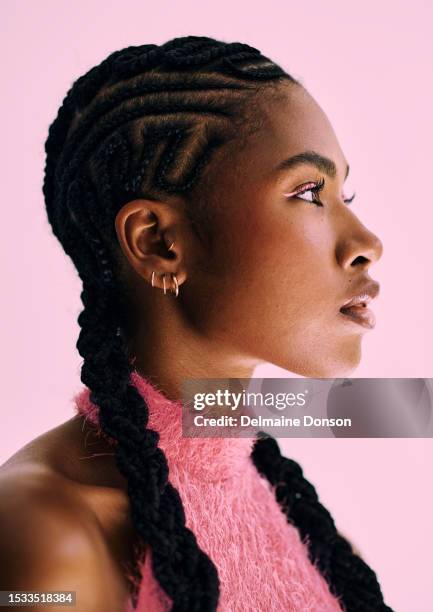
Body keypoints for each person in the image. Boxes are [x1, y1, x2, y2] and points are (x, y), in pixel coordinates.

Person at [0, 36, 391, 611]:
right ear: (158, 242)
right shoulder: (47, 537)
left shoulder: (320, 545)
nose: (366, 244)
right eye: (310, 192)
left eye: (343, 192)